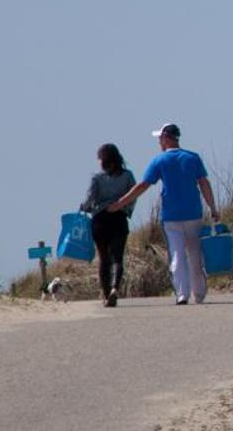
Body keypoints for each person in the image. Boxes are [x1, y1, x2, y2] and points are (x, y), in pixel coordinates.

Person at [108, 123, 219, 305]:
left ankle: (182, 294)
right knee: (195, 255)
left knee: (177, 255)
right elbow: (204, 183)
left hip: (171, 217)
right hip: (193, 214)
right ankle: (199, 293)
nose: (159, 141)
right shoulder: (193, 158)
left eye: (160, 138)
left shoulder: (159, 160)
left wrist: (120, 203)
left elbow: (143, 185)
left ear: (166, 138)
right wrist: (213, 208)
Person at [81, 143, 137, 307]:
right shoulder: (127, 176)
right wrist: (126, 210)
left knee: (104, 259)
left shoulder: (97, 178)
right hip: (119, 219)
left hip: (100, 221)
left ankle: (106, 296)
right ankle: (114, 288)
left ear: (103, 159)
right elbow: (133, 195)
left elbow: (90, 200)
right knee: (117, 257)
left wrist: (84, 208)